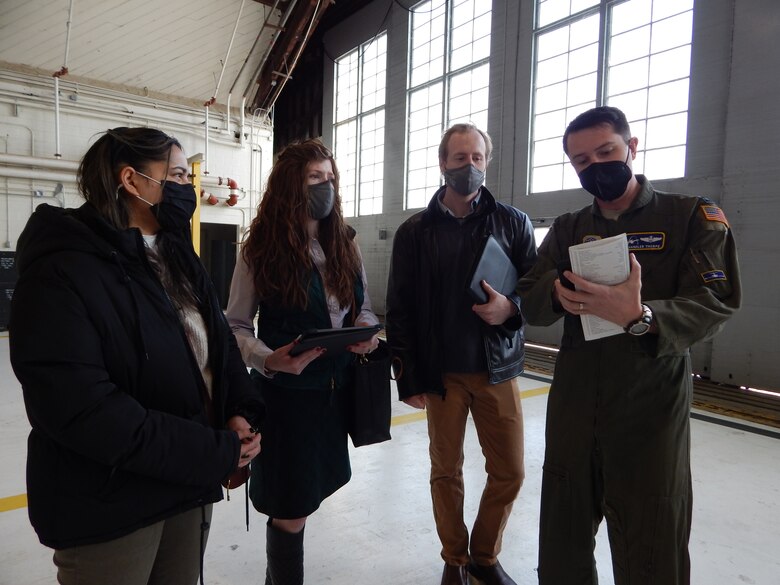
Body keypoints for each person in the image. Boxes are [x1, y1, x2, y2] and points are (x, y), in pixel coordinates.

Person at [8, 127, 264, 585]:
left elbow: (218, 346)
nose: (190, 188)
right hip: (108, 504)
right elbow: (83, 409)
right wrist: (212, 451)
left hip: (186, 486)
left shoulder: (176, 255)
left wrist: (239, 412)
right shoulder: (60, 269)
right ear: (132, 180)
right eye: (180, 175)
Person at [516, 106, 742, 585]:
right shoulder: (569, 227)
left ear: (631, 148)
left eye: (606, 151)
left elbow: (715, 300)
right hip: (575, 405)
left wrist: (641, 318)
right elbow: (530, 299)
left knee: (652, 543)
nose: (594, 166)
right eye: (581, 161)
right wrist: (556, 291)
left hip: (650, 409)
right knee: (563, 540)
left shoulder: (690, 217)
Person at [386, 123, 538, 585]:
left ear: (486, 162)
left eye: (476, 158)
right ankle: (454, 560)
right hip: (443, 375)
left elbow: (537, 290)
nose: (468, 166)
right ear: (442, 164)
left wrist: (510, 307)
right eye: (459, 158)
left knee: (510, 471)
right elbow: (400, 307)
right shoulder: (415, 231)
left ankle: (484, 558)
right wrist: (407, 376)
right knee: (445, 471)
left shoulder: (514, 222)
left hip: (498, 370)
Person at [226, 138, 380, 585]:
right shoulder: (259, 251)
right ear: (291, 185)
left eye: (330, 178)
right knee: (290, 509)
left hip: (334, 396)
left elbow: (364, 308)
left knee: (308, 499)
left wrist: (366, 334)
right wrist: (268, 360)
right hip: (287, 401)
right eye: (315, 178)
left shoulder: (344, 244)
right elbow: (234, 326)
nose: (325, 187)